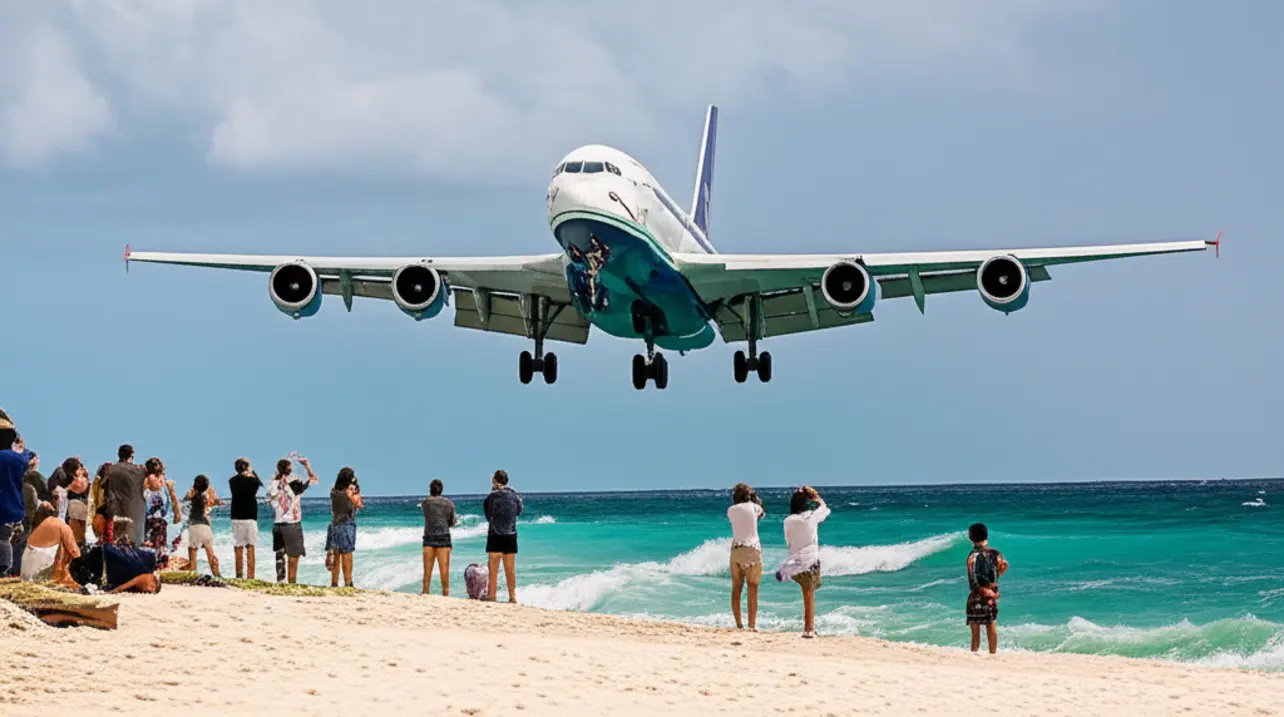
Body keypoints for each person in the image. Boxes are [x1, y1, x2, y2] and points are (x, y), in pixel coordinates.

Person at [776, 485, 830, 638]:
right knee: (809, 594)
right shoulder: (811, 517)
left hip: (795, 561)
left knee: (808, 591)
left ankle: (785, 571)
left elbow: (788, 540)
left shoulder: (788, 521)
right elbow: (825, 509)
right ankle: (809, 629)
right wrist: (816, 497)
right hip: (810, 561)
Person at [267, 455, 318, 584]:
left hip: (277, 524)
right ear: (289, 468)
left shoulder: (273, 483)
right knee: (293, 557)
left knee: (280, 555)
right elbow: (314, 479)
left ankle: (280, 581)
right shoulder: (294, 483)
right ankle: (292, 583)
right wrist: (306, 465)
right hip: (292, 524)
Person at [727, 482, 766, 631]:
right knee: (752, 589)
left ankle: (739, 624)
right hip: (753, 550)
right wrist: (757, 500)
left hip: (736, 549)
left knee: (736, 588)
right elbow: (760, 515)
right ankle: (752, 626)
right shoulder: (755, 507)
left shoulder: (731, 510)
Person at [966, 522, 1009, 654]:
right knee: (990, 623)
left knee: (975, 625)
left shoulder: (972, 556)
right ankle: (992, 653)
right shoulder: (996, 553)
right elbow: (1004, 565)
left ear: (971, 538)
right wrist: (994, 582)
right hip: (992, 594)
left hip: (976, 595)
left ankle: (974, 652)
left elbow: (973, 577)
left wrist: (981, 588)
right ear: (986, 536)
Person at [483, 469, 522, 603]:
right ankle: (512, 597)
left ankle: (492, 596)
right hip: (511, 534)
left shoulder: (492, 496)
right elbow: (518, 511)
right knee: (510, 569)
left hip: (495, 534)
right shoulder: (515, 495)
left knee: (493, 568)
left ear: (495, 481)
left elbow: (488, 515)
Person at [20, 503, 81, 588]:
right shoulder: (62, 526)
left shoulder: (35, 528)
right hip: (42, 571)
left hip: (26, 567)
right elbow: (75, 552)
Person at [0, 409, 29, 577]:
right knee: (6, 542)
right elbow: (27, 457)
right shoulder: (16, 459)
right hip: (11, 511)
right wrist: (21, 446)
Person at [326, 467, 363, 588]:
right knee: (347, 554)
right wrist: (355, 490)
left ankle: (334, 583)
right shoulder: (349, 493)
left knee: (336, 555)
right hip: (346, 524)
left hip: (334, 525)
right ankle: (348, 582)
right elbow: (358, 505)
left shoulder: (333, 492)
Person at [141, 458, 182, 569]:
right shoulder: (146, 485)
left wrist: (171, 491)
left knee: (161, 550)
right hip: (149, 523)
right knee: (152, 550)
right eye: (156, 474)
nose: (159, 478)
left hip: (160, 523)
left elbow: (172, 505)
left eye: (160, 474)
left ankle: (159, 568)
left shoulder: (164, 488)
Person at [228, 458, 264, 579]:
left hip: (236, 515)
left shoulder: (232, 481)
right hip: (250, 516)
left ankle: (239, 574)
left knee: (238, 545)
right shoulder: (252, 481)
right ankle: (250, 575)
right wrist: (252, 471)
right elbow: (260, 484)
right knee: (250, 546)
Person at [104, 444, 147, 544]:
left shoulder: (111, 469)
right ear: (131, 456)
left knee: (116, 544)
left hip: (115, 512)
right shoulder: (139, 470)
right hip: (135, 513)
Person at [421, 479, 457, 595]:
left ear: (430, 489)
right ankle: (445, 593)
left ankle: (425, 591)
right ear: (441, 490)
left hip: (429, 537)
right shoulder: (449, 503)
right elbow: (452, 522)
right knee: (444, 570)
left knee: (427, 570)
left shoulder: (425, 503)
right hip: (444, 537)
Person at [185, 474, 222, 577]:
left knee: (193, 551)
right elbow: (215, 502)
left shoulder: (192, 496)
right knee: (210, 551)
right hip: (206, 527)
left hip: (194, 527)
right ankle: (217, 574)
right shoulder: (206, 497)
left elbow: (185, 502)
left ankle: (192, 572)